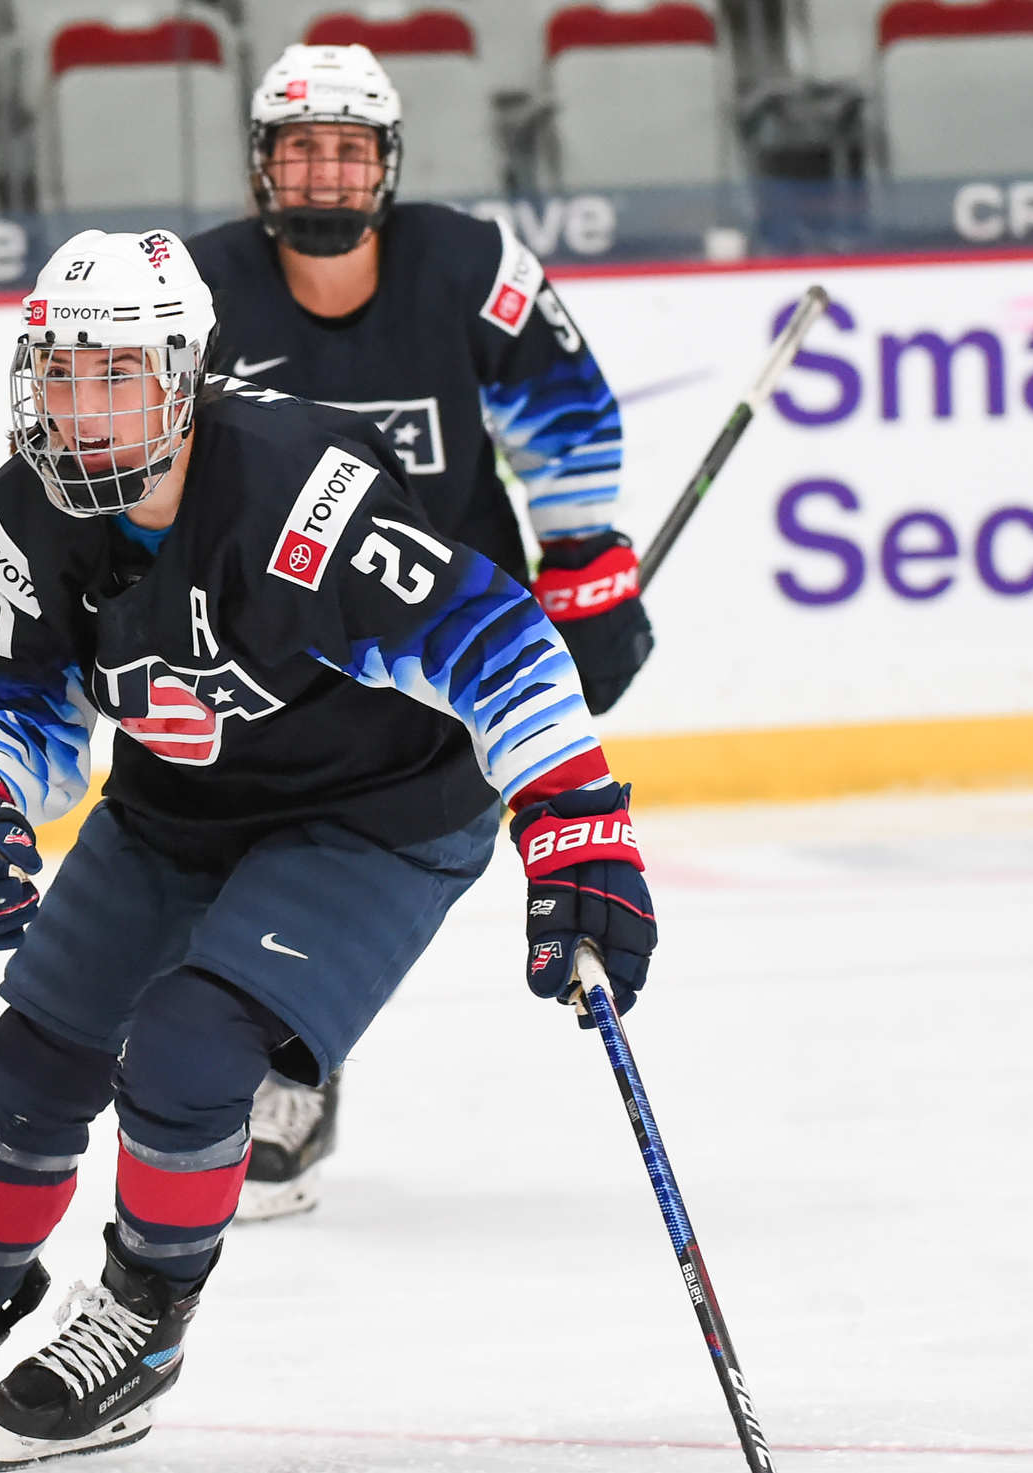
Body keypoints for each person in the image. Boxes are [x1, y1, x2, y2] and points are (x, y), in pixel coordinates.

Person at [0, 227, 657, 1467]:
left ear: (185, 377)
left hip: (375, 812)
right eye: (59, 374)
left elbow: (493, 637)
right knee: (32, 1057)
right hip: (177, 808)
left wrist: (576, 827)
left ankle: (139, 1326)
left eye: (115, 376)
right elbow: (3, 697)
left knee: (190, 1050)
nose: (81, 409)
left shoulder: (298, 491)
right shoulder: (23, 512)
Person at [186, 43, 656, 1220]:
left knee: (370, 853)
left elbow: (563, 412)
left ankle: (287, 1053)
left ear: (385, 164)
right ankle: (277, 1058)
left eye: (347, 151)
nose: (324, 174)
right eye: (300, 149)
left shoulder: (469, 265)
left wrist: (582, 565)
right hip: (267, 635)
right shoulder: (191, 291)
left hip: (443, 640)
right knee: (245, 848)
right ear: (260, 164)